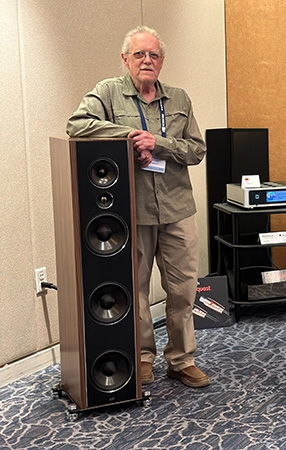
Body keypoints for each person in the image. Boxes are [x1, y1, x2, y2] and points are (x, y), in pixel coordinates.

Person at [66, 25, 209, 388]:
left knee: (183, 290)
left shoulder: (179, 99)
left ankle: (181, 359)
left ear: (162, 60)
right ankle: (143, 356)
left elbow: (196, 149)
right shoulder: (108, 92)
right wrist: (128, 137)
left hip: (178, 208)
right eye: (140, 54)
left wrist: (157, 143)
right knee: (136, 288)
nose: (147, 60)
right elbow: (77, 125)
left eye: (154, 55)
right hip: (133, 210)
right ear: (125, 59)